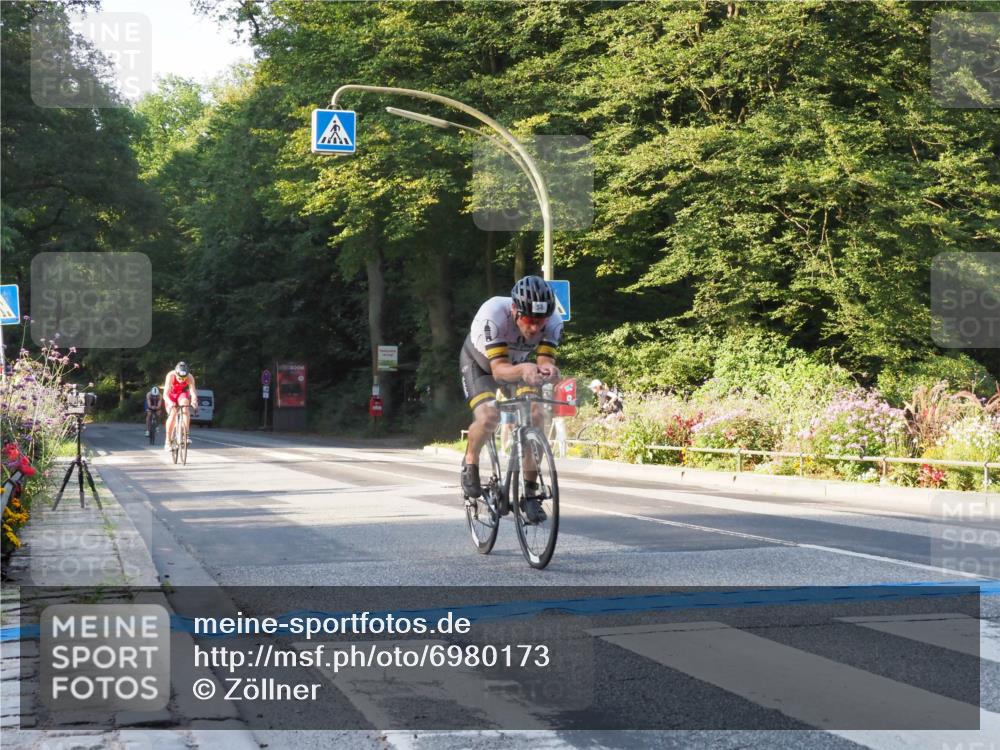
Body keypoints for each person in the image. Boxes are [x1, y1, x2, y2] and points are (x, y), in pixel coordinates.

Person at [460, 275, 562, 522]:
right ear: (515, 310)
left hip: (518, 367)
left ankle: (529, 493)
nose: (535, 328)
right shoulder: (493, 314)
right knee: (488, 417)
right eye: (529, 320)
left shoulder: (555, 320)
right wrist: (526, 369)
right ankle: (471, 459)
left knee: (537, 414)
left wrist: (549, 370)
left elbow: (544, 360)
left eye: (541, 321)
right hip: (481, 365)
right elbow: (498, 370)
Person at [162, 362, 198, 451]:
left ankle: (186, 435)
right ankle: (167, 441)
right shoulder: (170, 375)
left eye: (184, 378)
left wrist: (194, 401)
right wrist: (170, 402)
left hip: (181, 394)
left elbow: (193, 392)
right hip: (171, 395)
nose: (182, 380)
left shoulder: (190, 377)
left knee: (185, 405)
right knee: (173, 414)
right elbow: (165, 394)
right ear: (176, 373)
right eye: (179, 378)